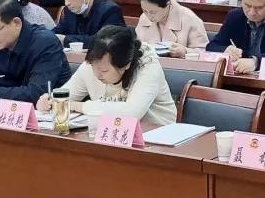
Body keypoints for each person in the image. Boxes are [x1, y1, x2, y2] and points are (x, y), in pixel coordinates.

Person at [38, 25, 176, 127]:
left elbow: (131, 113)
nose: (97, 74)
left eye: (104, 71)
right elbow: (66, 95)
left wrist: (78, 106)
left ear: (126, 64)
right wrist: (49, 101)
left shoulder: (148, 67)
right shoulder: (93, 63)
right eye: (93, 66)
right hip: (110, 133)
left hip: (156, 136)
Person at [134, 0, 209, 58]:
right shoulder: (144, 17)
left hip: (179, 64)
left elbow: (204, 52)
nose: (149, 16)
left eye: (153, 12)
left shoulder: (190, 19)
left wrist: (185, 51)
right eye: (144, 11)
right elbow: (136, 45)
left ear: (167, 4)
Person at [53, 0, 126, 48]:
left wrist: (65, 39)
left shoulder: (110, 10)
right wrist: (48, 36)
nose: (66, 3)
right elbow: (58, 31)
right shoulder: (69, 10)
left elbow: (104, 41)